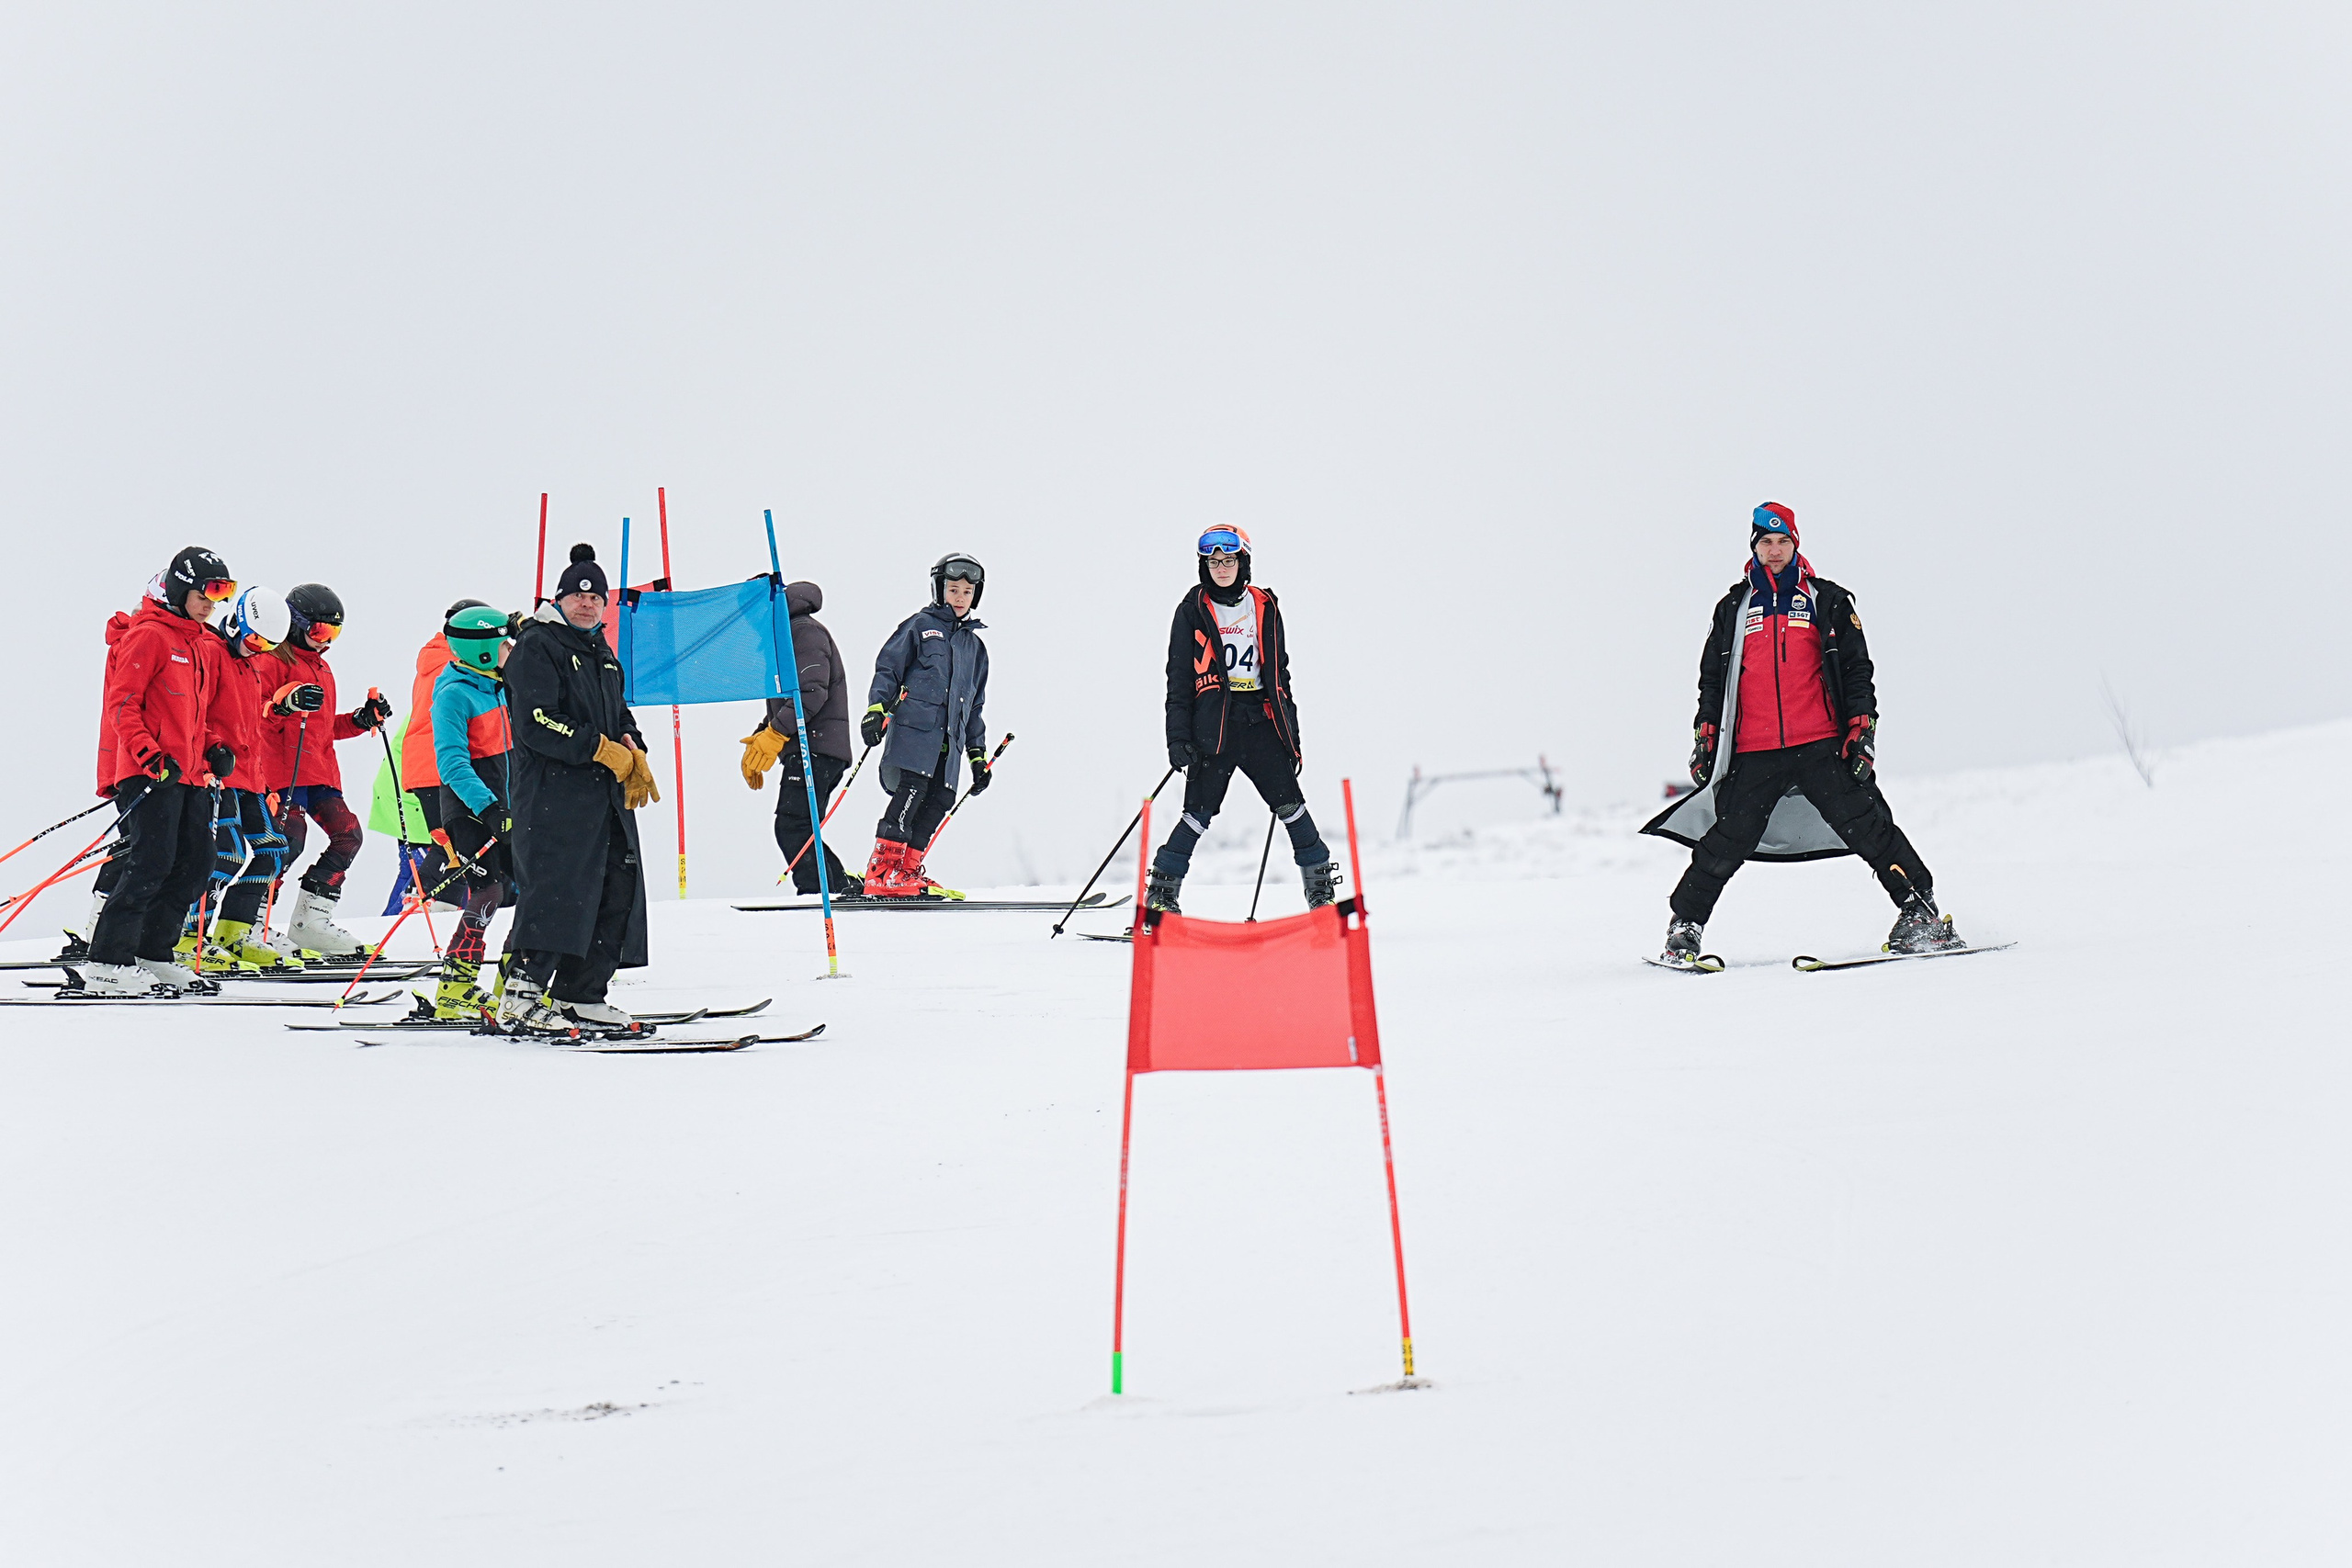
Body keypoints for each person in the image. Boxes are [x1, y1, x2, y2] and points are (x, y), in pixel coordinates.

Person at [1641, 502, 1963, 962]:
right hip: (1754, 749)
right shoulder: (1734, 607)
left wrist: (1862, 730)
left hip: (1819, 744)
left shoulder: (1826, 600)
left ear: (1796, 544)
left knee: (1866, 825)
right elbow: (1712, 679)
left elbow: (1856, 671)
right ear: (1754, 547)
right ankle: (1684, 928)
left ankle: (1921, 914)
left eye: (1783, 542)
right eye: (1766, 543)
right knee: (1728, 838)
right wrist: (1705, 736)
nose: (1775, 551)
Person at [497, 545, 661, 1032]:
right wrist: (598, 748)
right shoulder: (538, 645)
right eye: (577, 596)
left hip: (603, 800)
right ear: (560, 599)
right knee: (558, 893)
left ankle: (579, 993)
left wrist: (634, 748)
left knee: (615, 888)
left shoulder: (603, 655)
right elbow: (536, 721)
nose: (587, 605)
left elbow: (619, 715)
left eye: (596, 598)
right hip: (553, 800)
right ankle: (521, 994)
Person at [1148, 527, 1337, 914]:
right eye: (1213, 562)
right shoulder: (1192, 609)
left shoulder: (1264, 606)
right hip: (1212, 728)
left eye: (1228, 560)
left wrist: (1292, 738)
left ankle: (1320, 889)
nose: (1221, 568)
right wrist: (1177, 738)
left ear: (1242, 562)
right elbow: (1178, 679)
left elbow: (1280, 675)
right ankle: (1162, 893)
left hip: (1260, 722)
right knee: (1198, 813)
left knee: (1291, 805)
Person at [81, 547, 238, 996]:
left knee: (196, 862)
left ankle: (153, 952)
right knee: (151, 861)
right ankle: (107, 963)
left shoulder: (198, 643)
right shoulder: (148, 635)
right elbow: (123, 705)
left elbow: (196, 717)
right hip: (148, 772)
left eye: (222, 593)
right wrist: (150, 757)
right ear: (179, 587)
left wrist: (215, 748)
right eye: (207, 592)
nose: (213, 602)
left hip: (186, 775)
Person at [259, 583, 393, 958]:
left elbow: (323, 728)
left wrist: (360, 719)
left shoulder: (322, 668)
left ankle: (310, 923)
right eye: (318, 630)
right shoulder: (270, 661)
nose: (325, 640)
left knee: (348, 835)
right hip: (280, 773)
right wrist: (282, 706)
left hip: (319, 774)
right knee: (289, 842)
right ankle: (252, 920)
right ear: (294, 624)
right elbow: (252, 717)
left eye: (333, 632)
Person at [857, 554, 992, 899]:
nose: (959, 597)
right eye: (953, 589)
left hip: (951, 744)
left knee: (939, 800)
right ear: (939, 589)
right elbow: (888, 668)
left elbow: (975, 706)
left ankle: (906, 870)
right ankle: (882, 870)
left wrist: (978, 756)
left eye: (967, 591)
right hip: (916, 733)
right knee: (912, 791)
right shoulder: (920, 626)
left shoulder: (975, 648)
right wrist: (876, 709)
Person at [186, 586, 299, 972]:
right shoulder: (211, 652)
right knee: (227, 854)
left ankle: (234, 933)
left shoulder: (252, 666)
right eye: (252, 638)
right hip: (218, 773)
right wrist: (211, 751)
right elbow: (194, 712)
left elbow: (254, 728)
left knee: (272, 852)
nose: (256, 649)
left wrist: (264, 781)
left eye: (267, 645)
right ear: (235, 621)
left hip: (249, 777)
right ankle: (188, 937)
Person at [739, 579, 860, 897]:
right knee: (802, 827)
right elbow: (788, 701)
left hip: (816, 746)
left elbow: (811, 693)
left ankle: (820, 890)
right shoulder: (782, 636)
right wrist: (762, 734)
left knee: (792, 825)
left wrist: (777, 733)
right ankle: (838, 887)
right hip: (812, 746)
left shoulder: (802, 631)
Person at [426, 603, 518, 1020]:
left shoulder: (500, 688)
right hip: (469, 811)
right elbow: (452, 764)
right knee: (489, 891)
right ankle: (455, 990)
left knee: (534, 891)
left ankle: (515, 981)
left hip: (507, 808)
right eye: (504, 641)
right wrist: (490, 808)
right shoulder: (453, 694)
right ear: (482, 648)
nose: (510, 649)